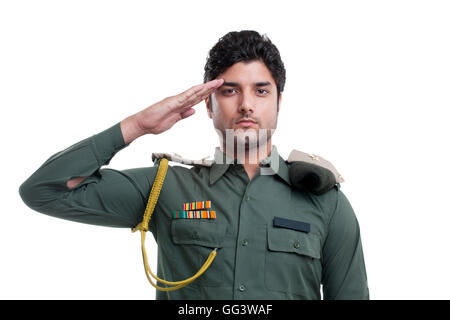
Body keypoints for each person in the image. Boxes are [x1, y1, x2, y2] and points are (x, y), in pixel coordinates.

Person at [19, 30, 369, 300]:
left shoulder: (327, 203)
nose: (247, 104)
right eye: (230, 91)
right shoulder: (164, 189)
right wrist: (138, 125)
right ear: (208, 104)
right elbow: (45, 191)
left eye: (261, 91)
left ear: (279, 102)